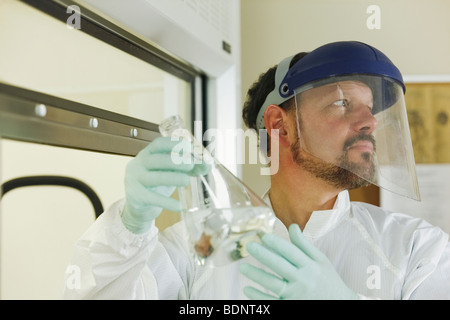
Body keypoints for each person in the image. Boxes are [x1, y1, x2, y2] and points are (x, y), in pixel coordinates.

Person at [63, 41, 450, 300]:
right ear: (278, 125)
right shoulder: (196, 248)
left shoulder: (418, 249)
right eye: (343, 103)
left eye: (371, 108)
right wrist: (130, 226)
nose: (369, 121)